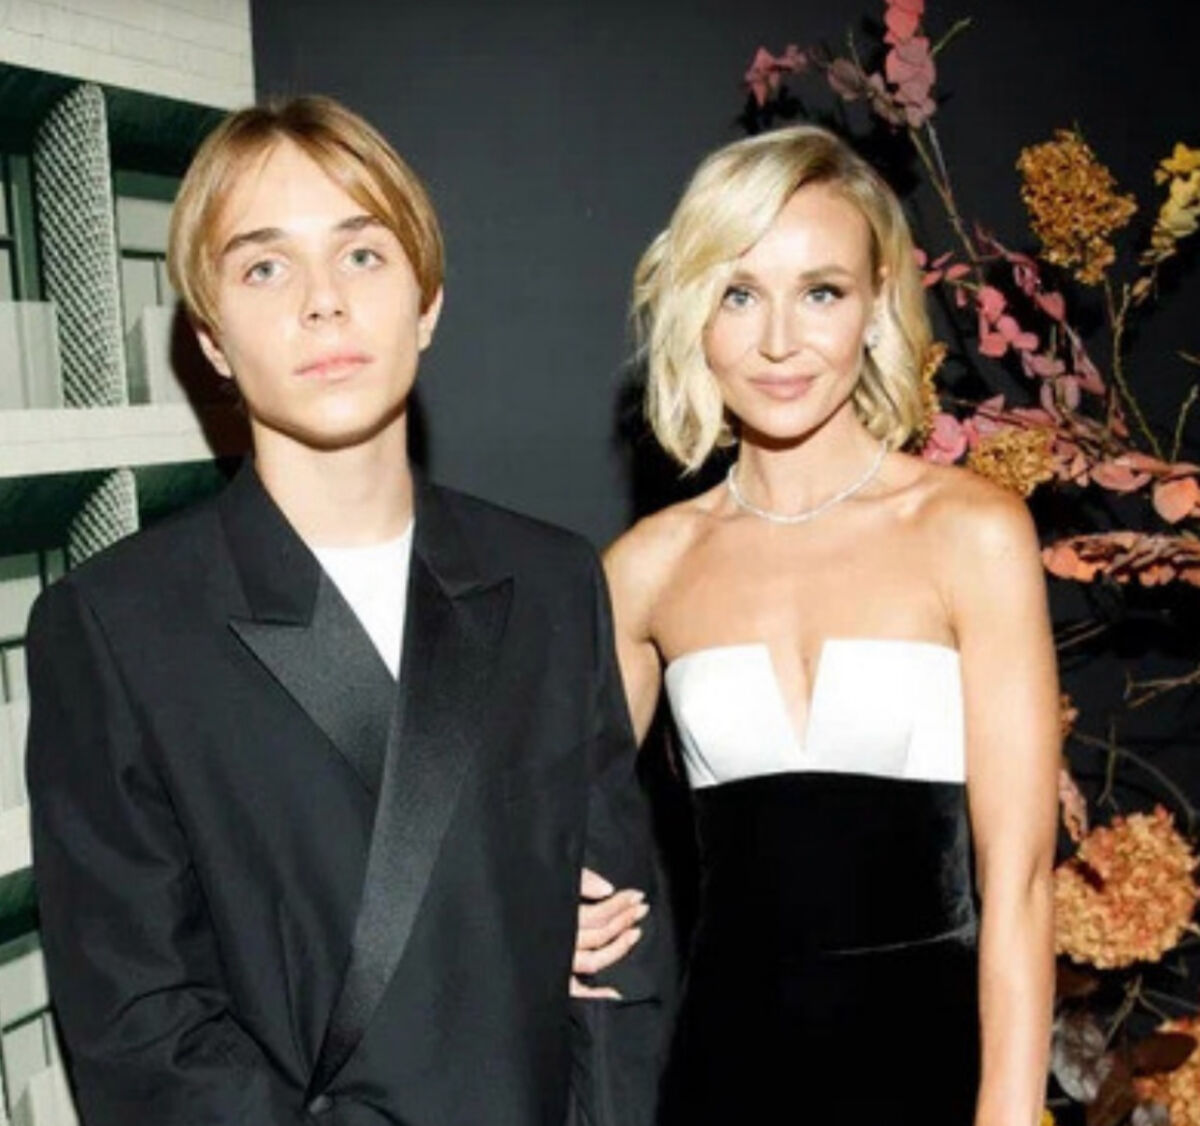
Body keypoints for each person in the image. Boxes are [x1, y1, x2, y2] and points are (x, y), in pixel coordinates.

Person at [26, 95, 667, 1126]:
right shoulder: (117, 628)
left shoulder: (550, 582)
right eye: (264, 267)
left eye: (362, 255)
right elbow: (140, 1033)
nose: (322, 302)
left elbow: (624, 951)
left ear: (427, 301)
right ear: (212, 338)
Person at [602, 125, 1059, 1124]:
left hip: (936, 1071)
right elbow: (542, 827)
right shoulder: (646, 569)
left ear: (876, 303)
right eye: (738, 293)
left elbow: (1021, 881)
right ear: (694, 312)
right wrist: (566, 911)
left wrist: (1010, 1110)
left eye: (820, 291)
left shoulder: (970, 532)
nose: (779, 342)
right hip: (724, 1078)